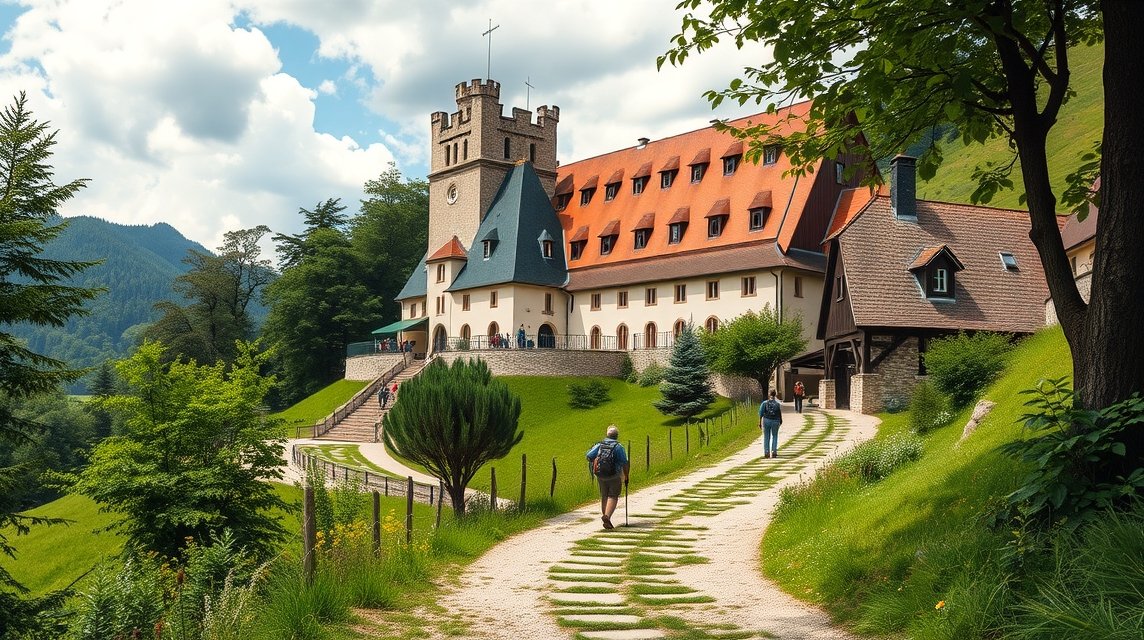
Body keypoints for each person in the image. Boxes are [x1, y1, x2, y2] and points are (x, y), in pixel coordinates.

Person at [586, 425, 630, 529]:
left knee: (604, 496)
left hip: (600, 474)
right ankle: (607, 517)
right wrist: (626, 475)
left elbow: (588, 456)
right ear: (617, 436)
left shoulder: (600, 445)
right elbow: (625, 463)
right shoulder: (618, 447)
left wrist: (597, 462)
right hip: (614, 475)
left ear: (607, 434)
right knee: (613, 496)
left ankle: (606, 517)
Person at [759, 389, 783, 458]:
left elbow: (761, 413)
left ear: (769, 394)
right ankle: (774, 451)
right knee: (775, 436)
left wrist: (760, 422)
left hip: (766, 420)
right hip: (775, 420)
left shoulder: (765, 403)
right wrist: (780, 421)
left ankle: (766, 452)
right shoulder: (777, 404)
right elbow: (779, 413)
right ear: (775, 395)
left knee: (766, 437)